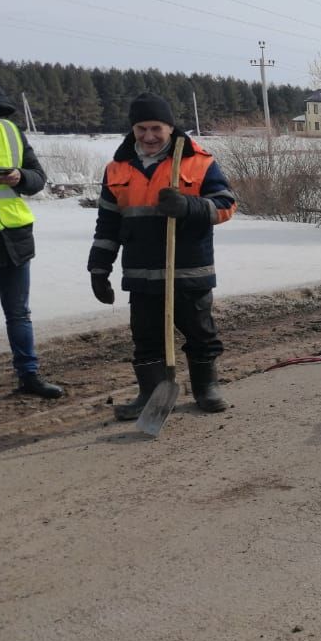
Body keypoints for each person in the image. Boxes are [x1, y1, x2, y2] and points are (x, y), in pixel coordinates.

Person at [88, 92, 237, 419]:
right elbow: (108, 224)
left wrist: (189, 206)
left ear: (170, 127)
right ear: (132, 129)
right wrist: (98, 268)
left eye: (156, 128)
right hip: (141, 274)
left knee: (200, 332)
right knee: (146, 337)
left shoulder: (198, 162)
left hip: (189, 270)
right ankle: (151, 394)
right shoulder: (117, 169)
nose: (149, 136)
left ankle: (205, 387)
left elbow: (226, 205)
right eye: (141, 129)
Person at [0, 68, 63, 399]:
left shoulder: (13, 133)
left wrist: (18, 177)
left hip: (13, 237)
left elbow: (38, 177)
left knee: (19, 313)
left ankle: (28, 376)